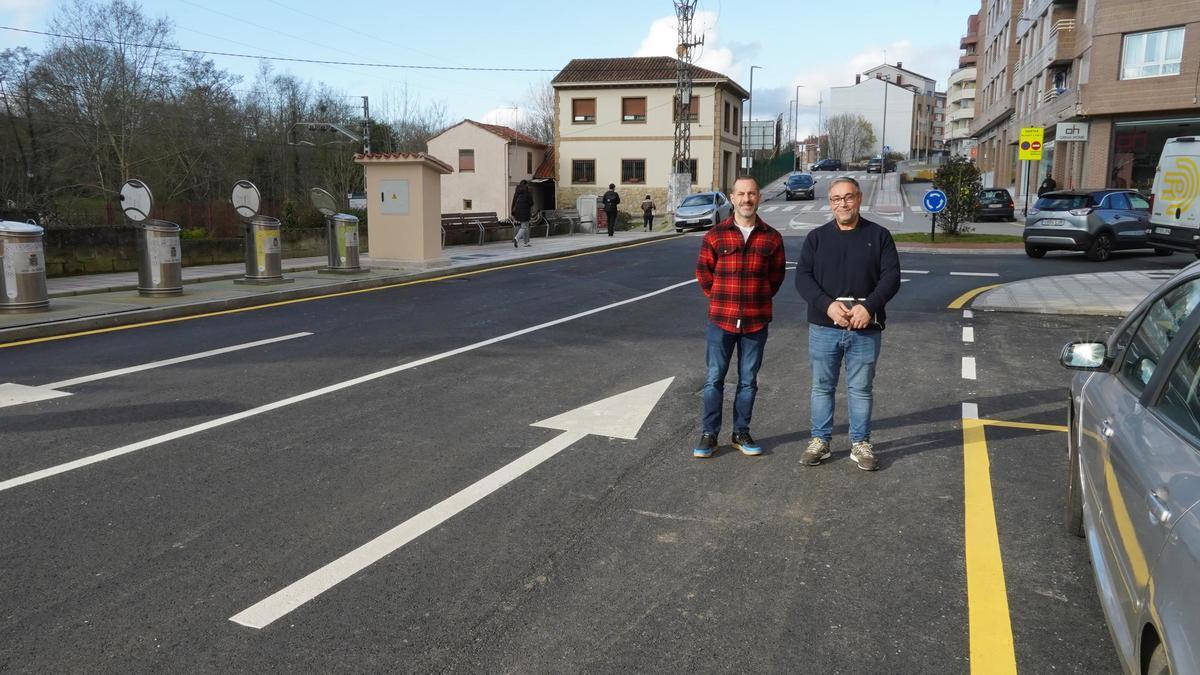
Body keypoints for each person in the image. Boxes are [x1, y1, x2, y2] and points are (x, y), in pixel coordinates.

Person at [795, 176, 901, 471]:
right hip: (824, 327)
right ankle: (820, 441)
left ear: (859, 198)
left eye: (848, 197)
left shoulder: (879, 236)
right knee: (821, 387)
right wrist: (827, 305)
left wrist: (869, 307)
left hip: (865, 328)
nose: (842, 204)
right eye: (836, 199)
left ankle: (860, 443)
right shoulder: (816, 238)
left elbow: (891, 277)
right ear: (830, 203)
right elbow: (803, 277)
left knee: (861, 388)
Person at [692, 175, 787, 459]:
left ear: (759, 197)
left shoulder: (772, 237)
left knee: (748, 381)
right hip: (721, 321)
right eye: (741, 194)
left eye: (752, 194)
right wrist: (721, 299)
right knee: (714, 379)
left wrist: (757, 298)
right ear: (732, 198)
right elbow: (704, 273)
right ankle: (709, 435)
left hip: (756, 321)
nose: (747, 199)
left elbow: (776, 277)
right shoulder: (715, 235)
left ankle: (740, 433)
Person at [511, 180, 534, 247]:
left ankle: (526, 243)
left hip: (518, 212)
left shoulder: (517, 191)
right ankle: (516, 238)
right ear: (526, 184)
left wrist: (512, 212)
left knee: (526, 227)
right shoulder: (527, 191)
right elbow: (531, 202)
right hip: (525, 212)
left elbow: (513, 202)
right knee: (524, 227)